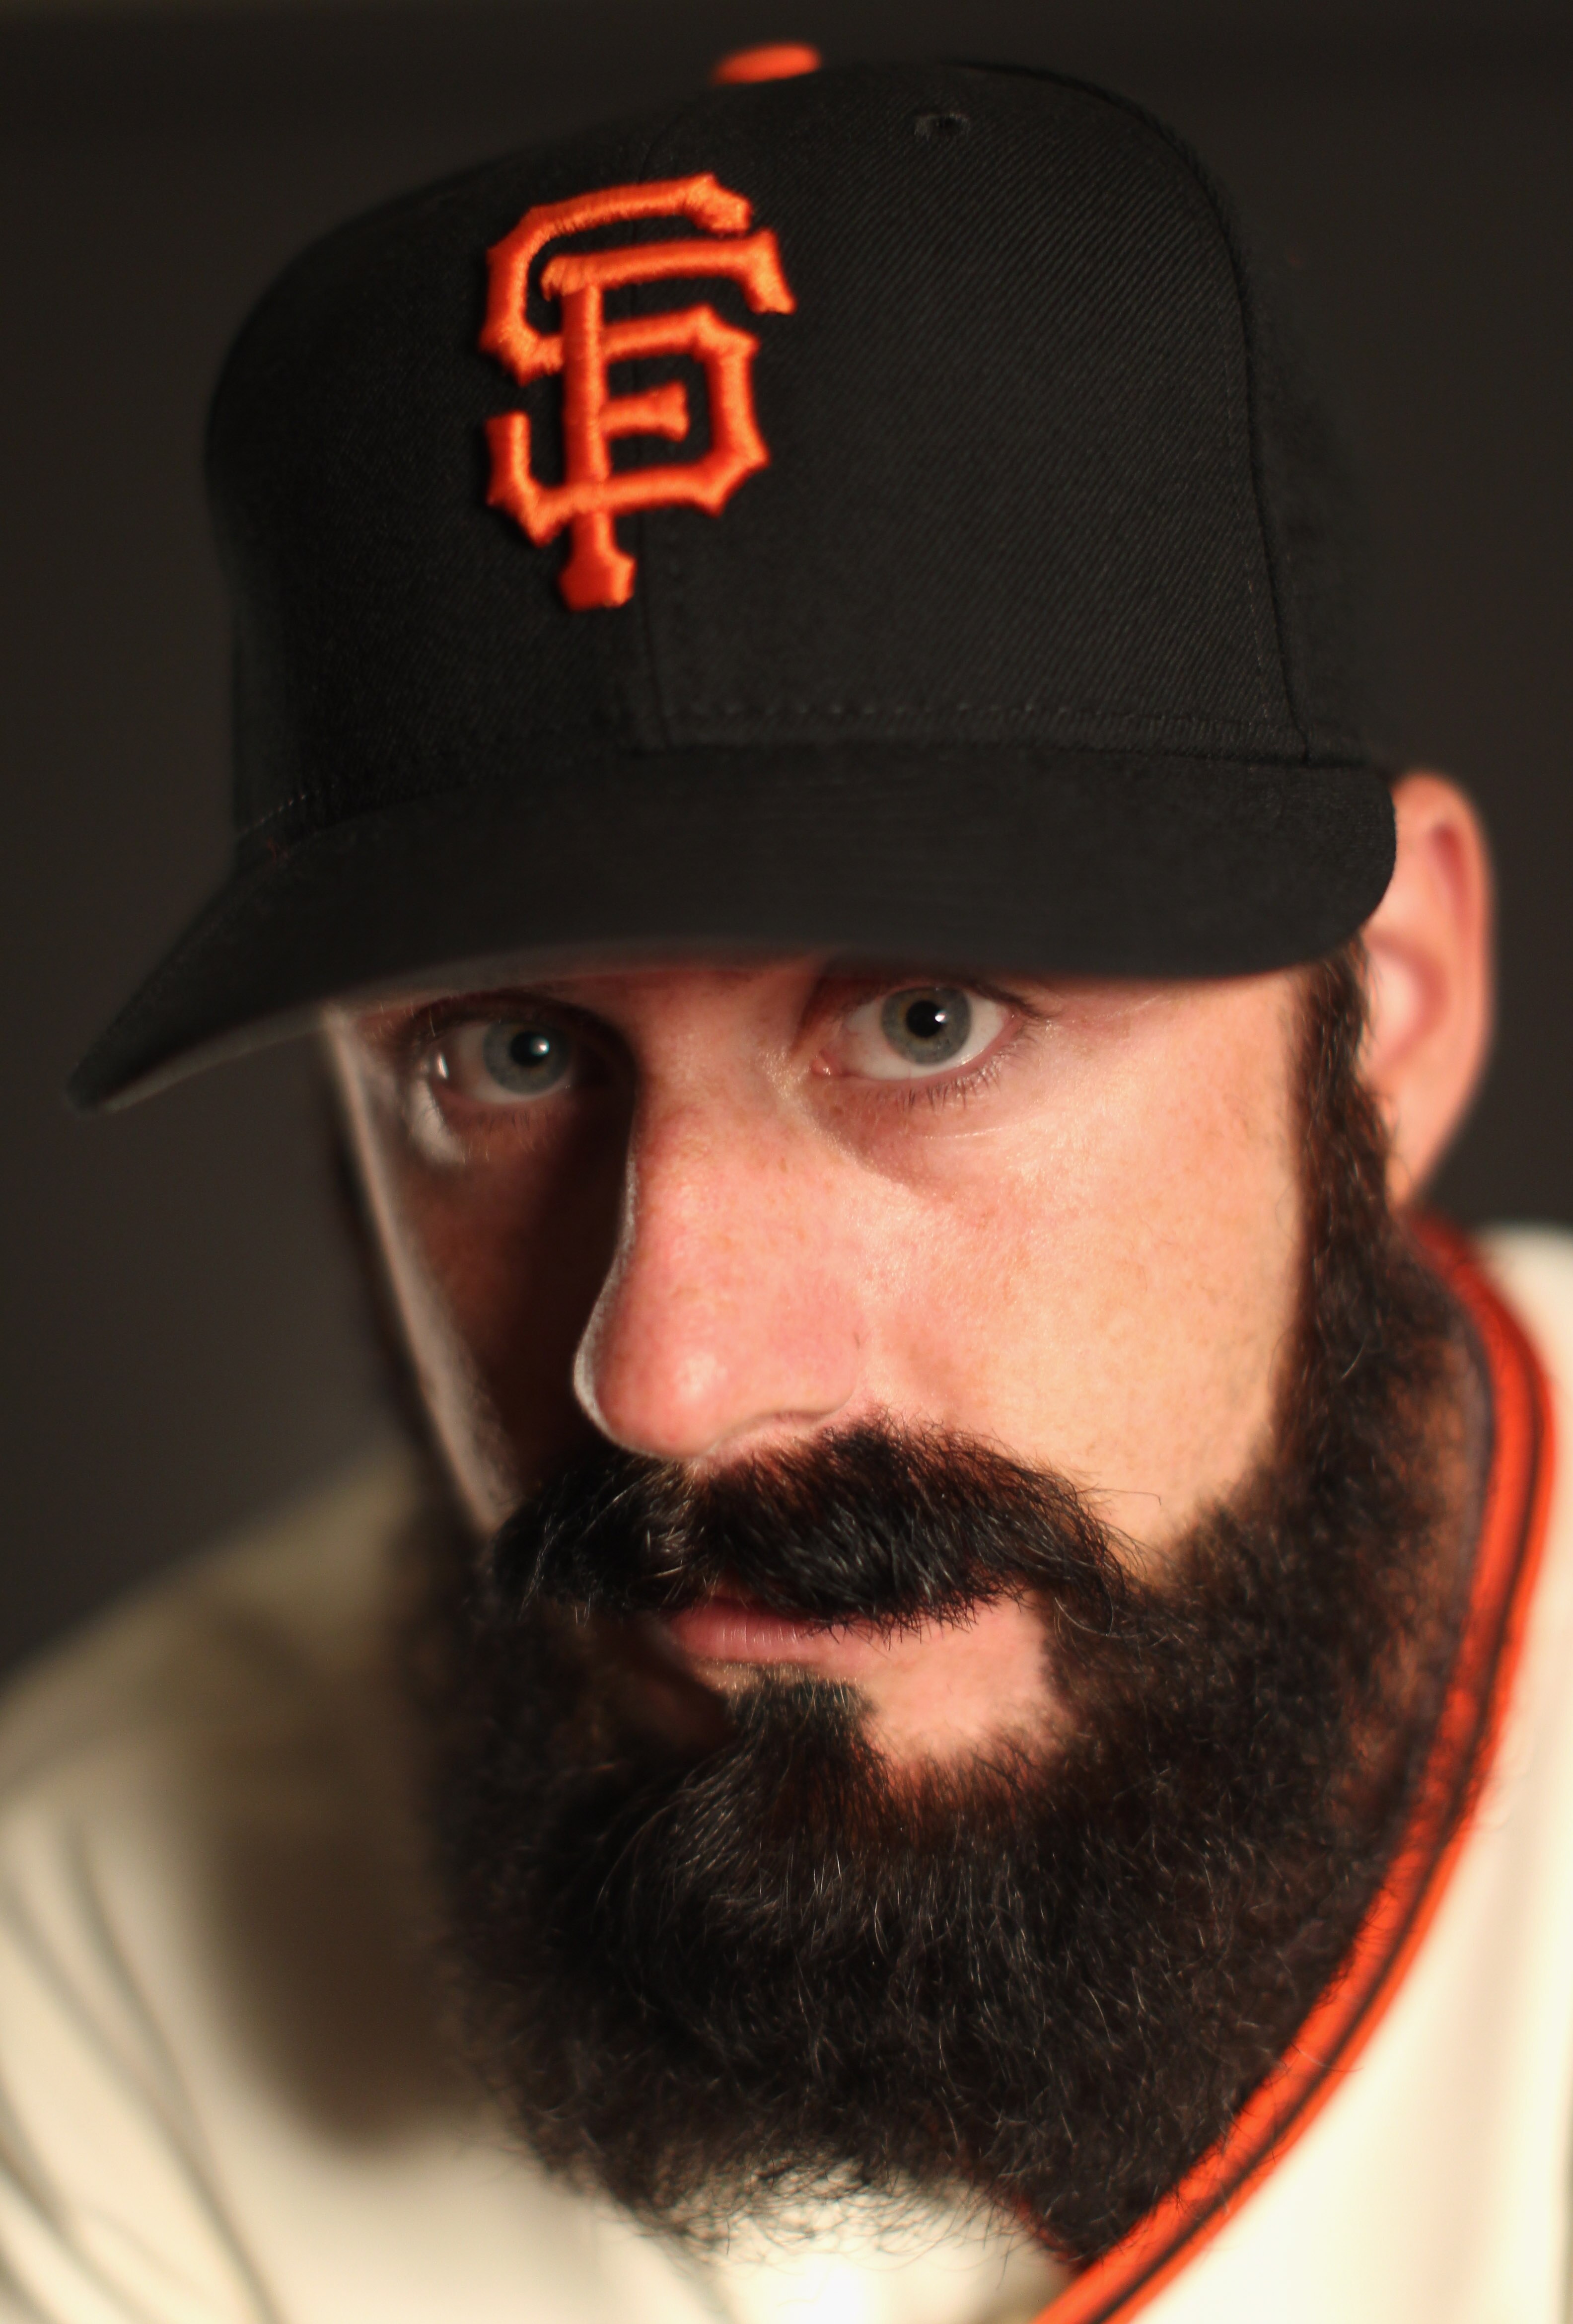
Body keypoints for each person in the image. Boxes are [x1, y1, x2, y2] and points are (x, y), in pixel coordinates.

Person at [3, 48, 1568, 2324]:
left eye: (932, 1020)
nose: (663, 1376)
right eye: (508, 1057)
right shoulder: (78, 1988)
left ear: (1394, 1004)